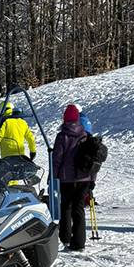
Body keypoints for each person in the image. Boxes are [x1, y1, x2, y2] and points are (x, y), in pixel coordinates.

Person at [52, 104, 92, 252]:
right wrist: (92, 180)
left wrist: (53, 178)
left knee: (66, 207)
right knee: (79, 208)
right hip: (84, 178)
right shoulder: (85, 135)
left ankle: (65, 238)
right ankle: (79, 242)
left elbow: (57, 159)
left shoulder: (62, 136)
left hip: (66, 179)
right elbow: (92, 158)